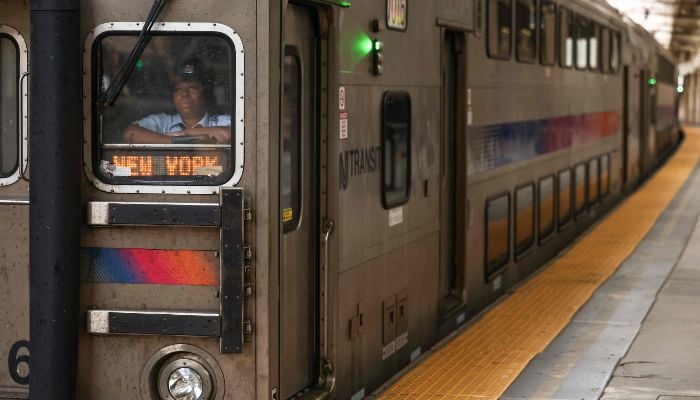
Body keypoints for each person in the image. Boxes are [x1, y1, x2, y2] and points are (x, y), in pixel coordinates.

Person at [121, 59, 231, 144]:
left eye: (192, 87)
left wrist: (182, 135)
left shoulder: (220, 121)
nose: (184, 94)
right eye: (178, 89)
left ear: (206, 93)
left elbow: (226, 134)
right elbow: (130, 134)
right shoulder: (162, 121)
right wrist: (170, 141)